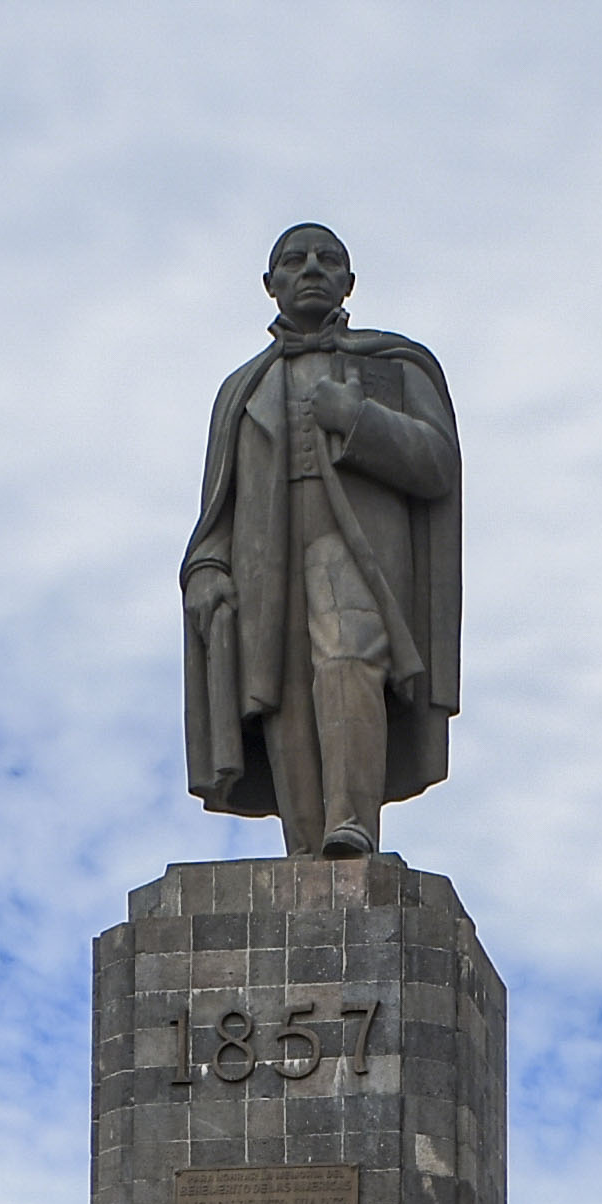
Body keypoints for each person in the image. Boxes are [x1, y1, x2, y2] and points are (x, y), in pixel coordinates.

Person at [177, 224, 460, 858]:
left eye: (328, 260)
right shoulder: (240, 390)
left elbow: (438, 462)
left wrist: (357, 419)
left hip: (358, 543)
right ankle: (306, 853)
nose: (311, 268)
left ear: (348, 282)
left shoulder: (394, 363)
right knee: (282, 691)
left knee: (349, 655)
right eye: (294, 260)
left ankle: (351, 825)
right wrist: (206, 569)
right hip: (265, 558)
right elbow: (217, 507)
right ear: (270, 283)